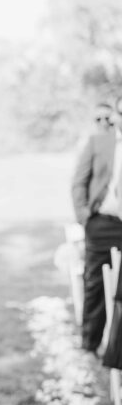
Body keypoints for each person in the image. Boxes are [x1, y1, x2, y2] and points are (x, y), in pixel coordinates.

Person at [72, 95, 122, 354]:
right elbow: (79, 182)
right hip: (103, 223)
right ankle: (89, 345)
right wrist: (85, 217)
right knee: (96, 286)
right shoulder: (98, 142)